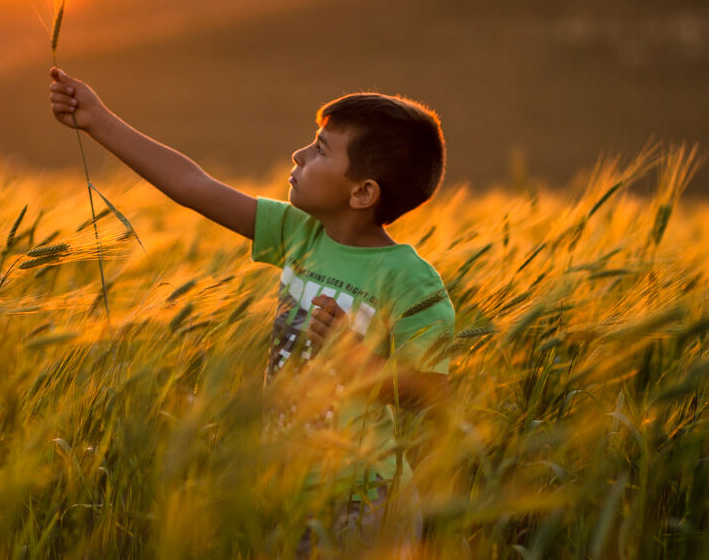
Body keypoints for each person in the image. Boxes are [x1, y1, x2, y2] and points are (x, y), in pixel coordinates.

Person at [47, 66, 454, 556]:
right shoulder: (298, 232)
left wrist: (359, 362)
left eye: (321, 150)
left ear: (363, 192)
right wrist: (98, 119)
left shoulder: (411, 279)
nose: (299, 155)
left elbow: (434, 398)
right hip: (283, 485)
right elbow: (192, 185)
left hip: (360, 503)